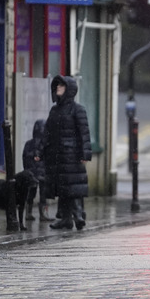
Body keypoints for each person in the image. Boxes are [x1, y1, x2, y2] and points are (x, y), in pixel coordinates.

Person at [36, 75, 91, 230]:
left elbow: (84, 133)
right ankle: (66, 219)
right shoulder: (54, 110)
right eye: (57, 86)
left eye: (62, 86)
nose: (58, 88)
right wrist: (40, 150)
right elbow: (47, 132)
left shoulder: (78, 109)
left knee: (72, 187)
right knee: (63, 188)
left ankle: (78, 215)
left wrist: (84, 154)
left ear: (69, 90)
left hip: (71, 156)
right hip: (57, 156)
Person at [22, 119, 51, 221]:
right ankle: (43, 214)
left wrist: (27, 171)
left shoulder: (28, 144)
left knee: (31, 194)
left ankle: (28, 213)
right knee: (43, 195)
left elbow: (24, 159)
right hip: (43, 174)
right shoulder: (46, 144)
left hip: (32, 174)